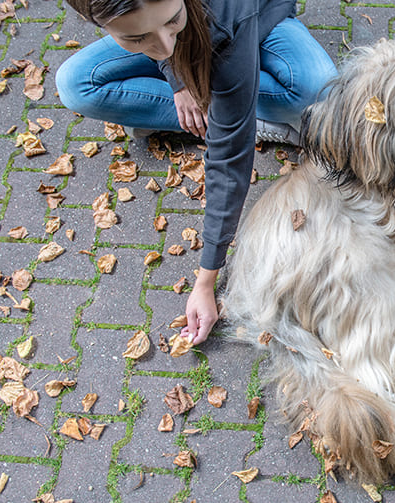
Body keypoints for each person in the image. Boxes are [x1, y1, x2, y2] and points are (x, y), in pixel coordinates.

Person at [56, 0, 337, 344]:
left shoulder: (224, 15)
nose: (164, 47)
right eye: (137, 38)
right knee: (75, 84)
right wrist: (179, 80)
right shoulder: (164, 35)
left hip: (257, 17)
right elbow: (167, 46)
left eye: (171, 21)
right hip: (208, 35)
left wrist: (206, 281)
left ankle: (237, 113)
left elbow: (229, 159)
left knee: (319, 88)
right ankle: (242, 114)